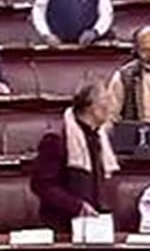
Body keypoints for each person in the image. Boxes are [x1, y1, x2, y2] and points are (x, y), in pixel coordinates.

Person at [31, 80, 120, 231]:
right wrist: (76, 206)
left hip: (95, 223)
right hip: (62, 225)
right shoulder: (56, 138)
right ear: (92, 107)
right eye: (106, 100)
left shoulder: (100, 137)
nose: (112, 106)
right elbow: (41, 185)